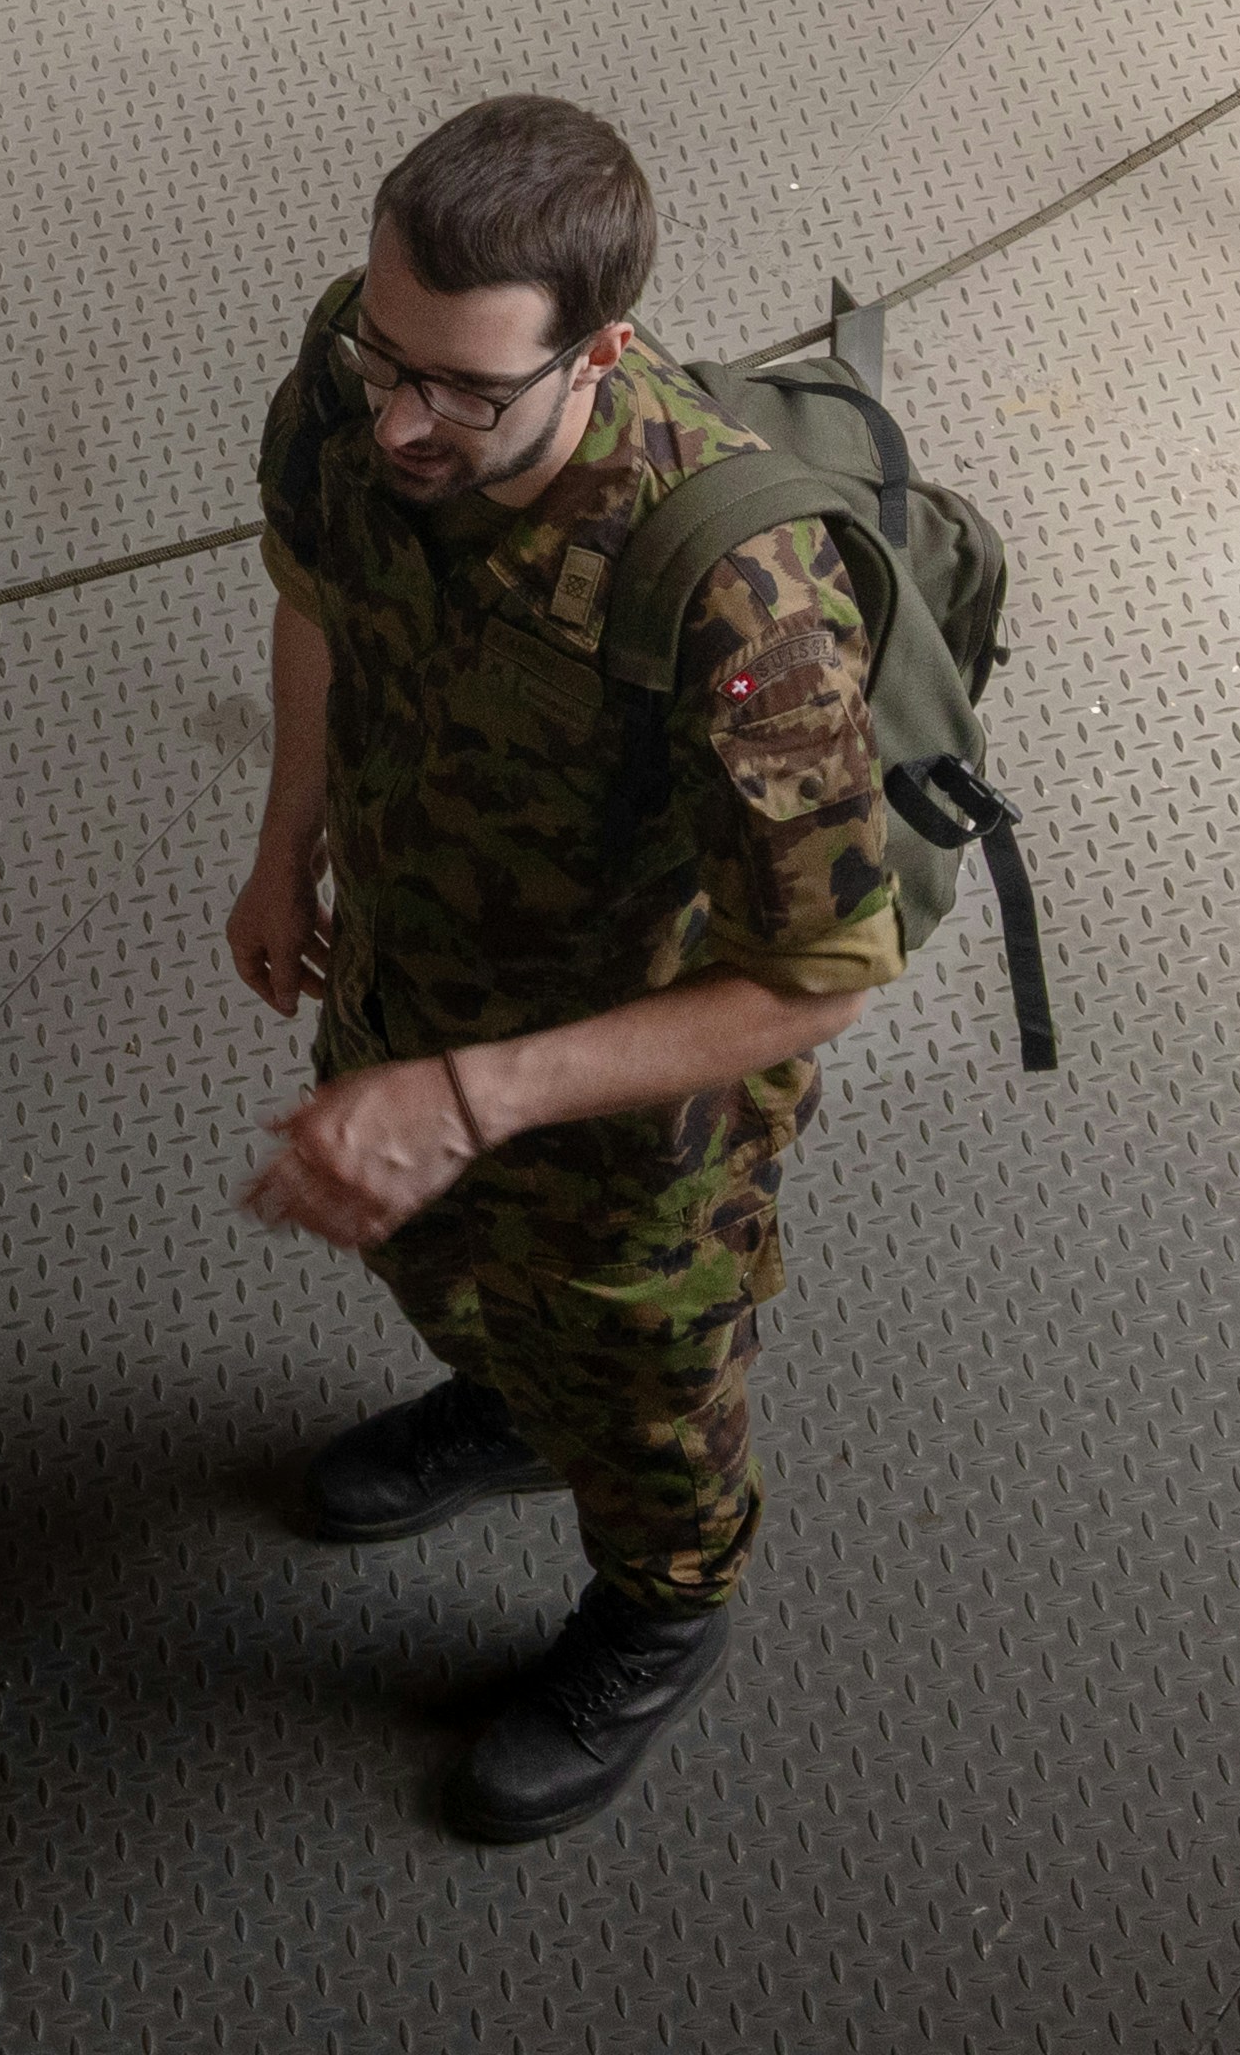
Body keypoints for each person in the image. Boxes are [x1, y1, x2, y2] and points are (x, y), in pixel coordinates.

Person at [230, 93, 897, 1841]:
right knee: (447, 1266)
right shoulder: (363, 373)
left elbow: (820, 972)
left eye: (461, 388)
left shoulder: (738, 592)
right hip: (410, 974)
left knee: (646, 1376)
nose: (396, 418)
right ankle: (512, 1407)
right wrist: (287, 835)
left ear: (597, 352)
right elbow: (321, 584)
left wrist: (465, 1102)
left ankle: (661, 1607)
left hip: (631, 1113)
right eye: (387, 355)